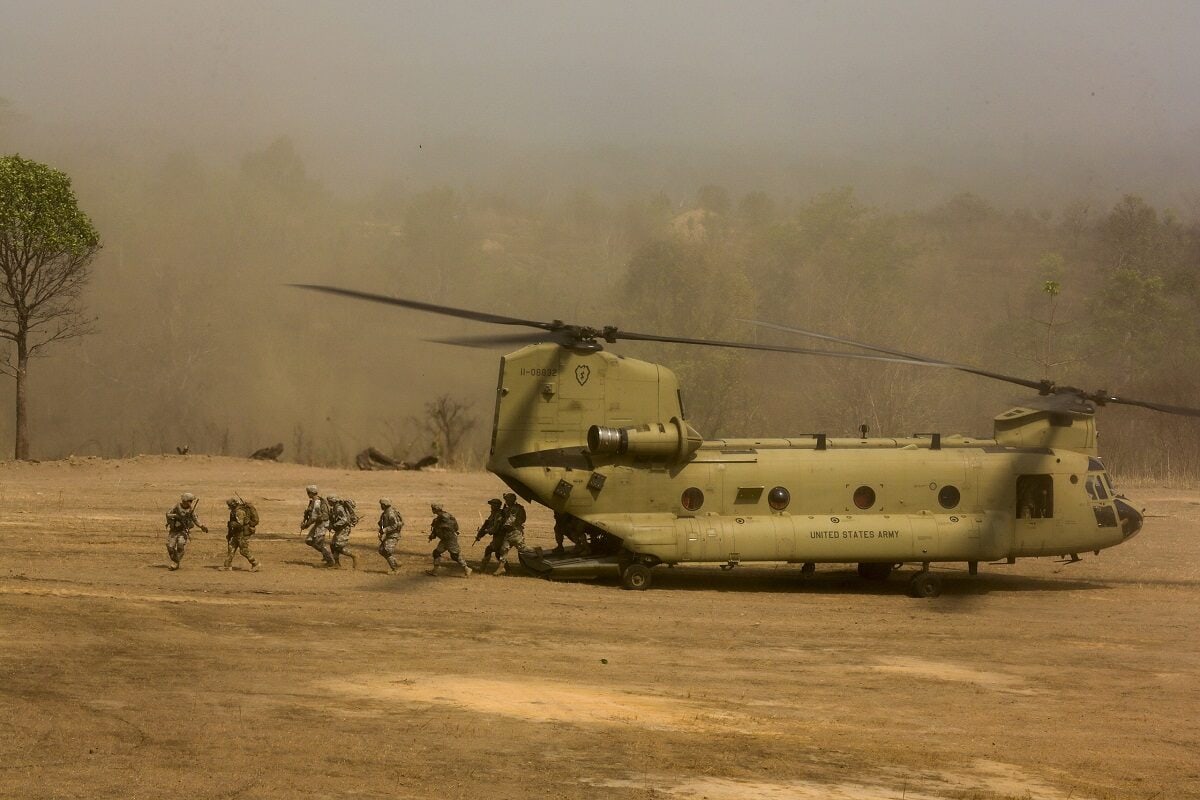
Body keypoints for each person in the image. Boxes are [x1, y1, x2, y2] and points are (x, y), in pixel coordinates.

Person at [165, 492, 207, 570]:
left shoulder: (191, 510)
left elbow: (195, 519)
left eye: (191, 501)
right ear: (185, 501)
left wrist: (202, 526)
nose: (191, 503)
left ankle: (175, 563)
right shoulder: (176, 506)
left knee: (180, 545)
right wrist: (176, 516)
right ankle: (175, 559)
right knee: (170, 547)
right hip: (174, 531)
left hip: (183, 531)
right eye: (190, 501)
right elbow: (167, 514)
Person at [427, 503, 471, 577]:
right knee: (436, 553)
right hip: (445, 539)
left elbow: (448, 527)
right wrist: (434, 534)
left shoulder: (443, 518)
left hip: (450, 539)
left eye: (433, 509)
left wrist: (437, 529)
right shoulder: (443, 517)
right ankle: (435, 571)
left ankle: (467, 568)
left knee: (455, 556)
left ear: (435, 510)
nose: (432, 510)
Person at [221, 497, 260, 572]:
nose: (229, 507)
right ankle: (227, 565)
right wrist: (230, 533)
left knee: (243, 550)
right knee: (231, 547)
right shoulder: (233, 511)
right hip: (236, 533)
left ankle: (255, 564)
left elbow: (241, 524)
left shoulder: (239, 512)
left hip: (243, 533)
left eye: (229, 505)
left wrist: (232, 524)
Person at [492, 492, 527, 575]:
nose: (506, 502)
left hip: (516, 533)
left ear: (511, 500)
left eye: (507, 500)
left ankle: (537, 553)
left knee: (523, 550)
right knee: (503, 550)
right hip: (508, 534)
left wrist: (503, 525)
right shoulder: (508, 508)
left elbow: (510, 521)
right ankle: (502, 569)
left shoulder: (515, 509)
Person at [300, 484, 335, 567]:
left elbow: (314, 517)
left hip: (322, 524)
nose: (307, 494)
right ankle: (326, 554)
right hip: (318, 523)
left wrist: (306, 525)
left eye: (308, 493)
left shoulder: (317, 502)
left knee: (318, 542)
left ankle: (330, 560)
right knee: (309, 540)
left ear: (311, 493)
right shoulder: (315, 501)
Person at [327, 493, 358, 569]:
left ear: (333, 501)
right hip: (340, 529)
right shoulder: (335, 508)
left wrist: (334, 525)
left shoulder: (339, 508)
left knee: (338, 546)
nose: (328, 503)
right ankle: (337, 564)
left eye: (329, 501)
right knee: (333, 545)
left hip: (344, 529)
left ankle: (353, 555)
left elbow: (344, 520)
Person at [474, 498, 505, 573]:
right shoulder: (494, 513)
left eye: (493, 505)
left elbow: (495, 528)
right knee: (498, 554)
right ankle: (507, 569)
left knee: (489, 549)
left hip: (501, 536)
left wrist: (487, 531)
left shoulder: (499, 514)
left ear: (497, 506)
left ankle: (482, 568)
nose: (491, 506)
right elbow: (487, 525)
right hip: (497, 536)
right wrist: (480, 535)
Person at [377, 498, 404, 574]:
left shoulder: (390, 513)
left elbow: (394, 525)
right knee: (381, 550)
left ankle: (395, 569)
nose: (380, 506)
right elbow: (382, 524)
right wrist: (381, 532)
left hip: (394, 535)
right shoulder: (385, 513)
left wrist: (384, 530)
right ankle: (396, 562)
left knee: (386, 551)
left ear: (384, 505)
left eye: (381, 505)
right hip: (389, 535)